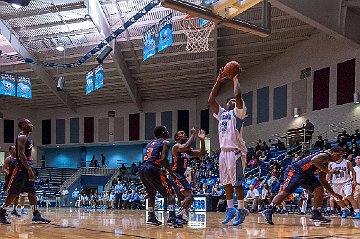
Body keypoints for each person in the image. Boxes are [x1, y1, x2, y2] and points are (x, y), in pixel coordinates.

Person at [261, 146, 344, 225]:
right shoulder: (325, 155)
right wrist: (329, 171)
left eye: (341, 156)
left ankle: (316, 213)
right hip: (295, 171)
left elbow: (323, 181)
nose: (339, 157)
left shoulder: (324, 165)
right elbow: (314, 160)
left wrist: (334, 194)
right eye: (338, 155)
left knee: (319, 188)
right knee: (286, 192)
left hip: (306, 175)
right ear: (332, 152)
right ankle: (269, 210)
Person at [208, 67, 248, 226]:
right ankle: (230, 209)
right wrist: (218, 81)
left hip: (235, 151)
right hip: (223, 152)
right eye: (230, 99)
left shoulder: (238, 114)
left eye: (233, 100)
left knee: (237, 182)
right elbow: (211, 100)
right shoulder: (222, 113)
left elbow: (238, 95)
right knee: (226, 181)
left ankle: (241, 209)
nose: (231, 100)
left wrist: (235, 79)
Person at [1, 119, 50, 224]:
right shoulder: (22, 137)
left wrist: (30, 168)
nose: (31, 125)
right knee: (13, 193)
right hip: (20, 168)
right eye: (29, 123)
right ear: (23, 125)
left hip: (27, 167)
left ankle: (36, 214)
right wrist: (29, 169)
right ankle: (2, 211)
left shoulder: (27, 138)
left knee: (32, 192)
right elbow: (21, 155)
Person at [139, 125, 183, 228]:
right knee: (171, 193)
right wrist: (171, 173)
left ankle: (151, 217)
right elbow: (163, 159)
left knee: (151, 193)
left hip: (142, 168)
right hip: (153, 168)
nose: (168, 133)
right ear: (163, 133)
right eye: (167, 131)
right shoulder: (165, 142)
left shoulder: (149, 143)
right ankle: (172, 219)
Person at [172, 128, 206, 223]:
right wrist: (193, 135)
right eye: (181, 133)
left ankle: (180, 216)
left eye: (184, 132)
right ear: (177, 137)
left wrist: (202, 140)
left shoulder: (187, 150)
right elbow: (185, 146)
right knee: (189, 196)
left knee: (188, 198)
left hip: (180, 175)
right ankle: (178, 216)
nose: (184, 134)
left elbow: (202, 154)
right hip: (175, 174)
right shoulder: (176, 146)